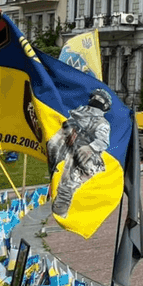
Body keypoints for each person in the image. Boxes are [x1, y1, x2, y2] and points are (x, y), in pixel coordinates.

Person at [46, 88, 112, 217]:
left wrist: (89, 147)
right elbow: (55, 142)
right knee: (55, 146)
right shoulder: (77, 114)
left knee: (73, 165)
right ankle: (59, 188)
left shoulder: (101, 123)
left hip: (85, 154)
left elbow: (103, 142)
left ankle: (64, 197)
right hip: (66, 147)